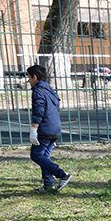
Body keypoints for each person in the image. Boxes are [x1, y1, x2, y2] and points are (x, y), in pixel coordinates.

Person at [26, 64, 72, 194]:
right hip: (54, 128)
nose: (28, 81)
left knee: (36, 155)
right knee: (45, 157)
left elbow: (39, 110)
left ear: (34, 77)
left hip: (45, 129)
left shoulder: (38, 90)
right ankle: (48, 185)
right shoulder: (50, 90)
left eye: (29, 77)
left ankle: (62, 175)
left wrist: (33, 129)